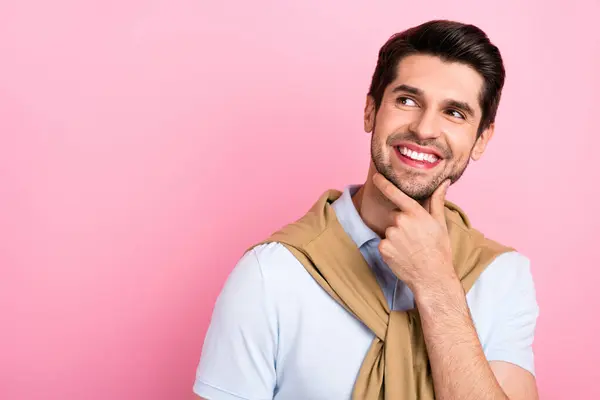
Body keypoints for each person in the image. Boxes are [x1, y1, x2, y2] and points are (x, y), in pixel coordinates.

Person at [193, 19, 539, 400]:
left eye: (454, 113)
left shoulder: (503, 276)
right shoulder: (271, 274)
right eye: (407, 101)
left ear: (481, 139)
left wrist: (437, 285)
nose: (424, 129)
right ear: (371, 111)